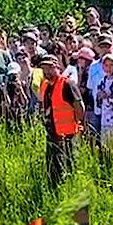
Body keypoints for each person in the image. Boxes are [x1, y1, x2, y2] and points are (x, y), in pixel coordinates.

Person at [40, 54, 85, 185]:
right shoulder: (47, 86)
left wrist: (80, 125)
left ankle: (72, 189)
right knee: (53, 166)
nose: (46, 71)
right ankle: (55, 190)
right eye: (44, 68)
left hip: (69, 133)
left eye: (49, 67)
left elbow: (79, 105)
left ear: (57, 67)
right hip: (52, 132)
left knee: (70, 164)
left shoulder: (67, 84)